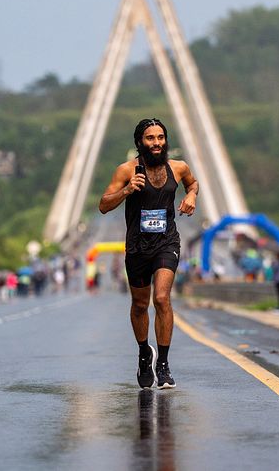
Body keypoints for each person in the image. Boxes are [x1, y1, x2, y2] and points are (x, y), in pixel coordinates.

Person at [99, 118, 198, 390]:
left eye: (160, 138)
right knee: (140, 305)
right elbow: (103, 205)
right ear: (140, 142)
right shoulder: (126, 170)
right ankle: (144, 353)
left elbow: (193, 183)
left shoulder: (178, 167)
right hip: (137, 247)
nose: (156, 143)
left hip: (167, 243)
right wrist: (127, 190)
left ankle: (163, 365)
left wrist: (191, 196)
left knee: (162, 298)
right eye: (150, 138)